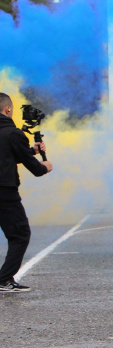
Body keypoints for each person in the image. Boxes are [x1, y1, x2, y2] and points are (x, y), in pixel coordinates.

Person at [0, 93, 52, 293]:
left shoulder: (12, 134)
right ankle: (4, 280)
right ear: (8, 110)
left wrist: (31, 150)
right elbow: (36, 170)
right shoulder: (13, 133)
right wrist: (45, 166)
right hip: (4, 192)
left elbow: (7, 154)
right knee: (20, 235)